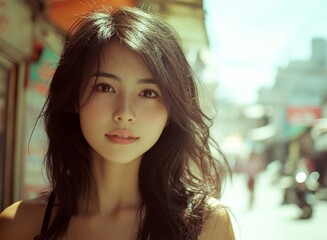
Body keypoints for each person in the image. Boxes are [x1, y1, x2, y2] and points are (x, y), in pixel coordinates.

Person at [0, 6, 235, 240]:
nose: (124, 113)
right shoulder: (20, 225)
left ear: (171, 111)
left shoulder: (206, 225)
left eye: (148, 93)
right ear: (74, 99)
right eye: (105, 87)